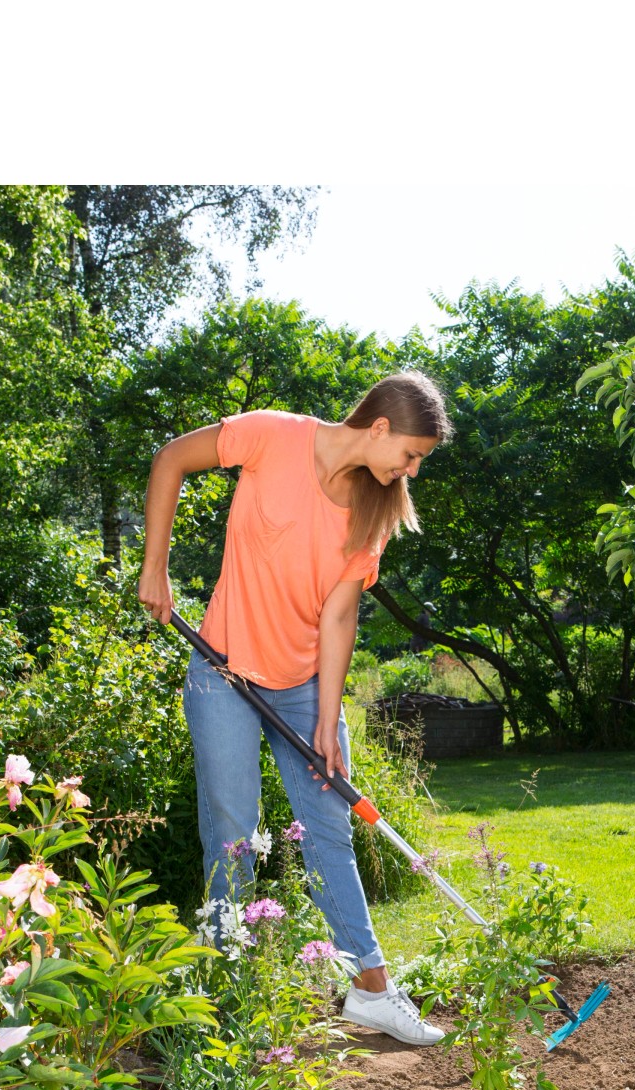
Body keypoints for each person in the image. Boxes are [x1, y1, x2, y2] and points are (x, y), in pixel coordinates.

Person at [137, 371, 453, 1046]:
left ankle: (371, 989)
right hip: (223, 670)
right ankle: (228, 987)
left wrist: (325, 718)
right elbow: (170, 459)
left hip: (306, 680)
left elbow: (340, 616)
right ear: (379, 428)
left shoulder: (377, 508)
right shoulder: (271, 437)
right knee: (232, 828)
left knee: (329, 830)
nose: (413, 469)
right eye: (412, 453)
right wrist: (155, 565)